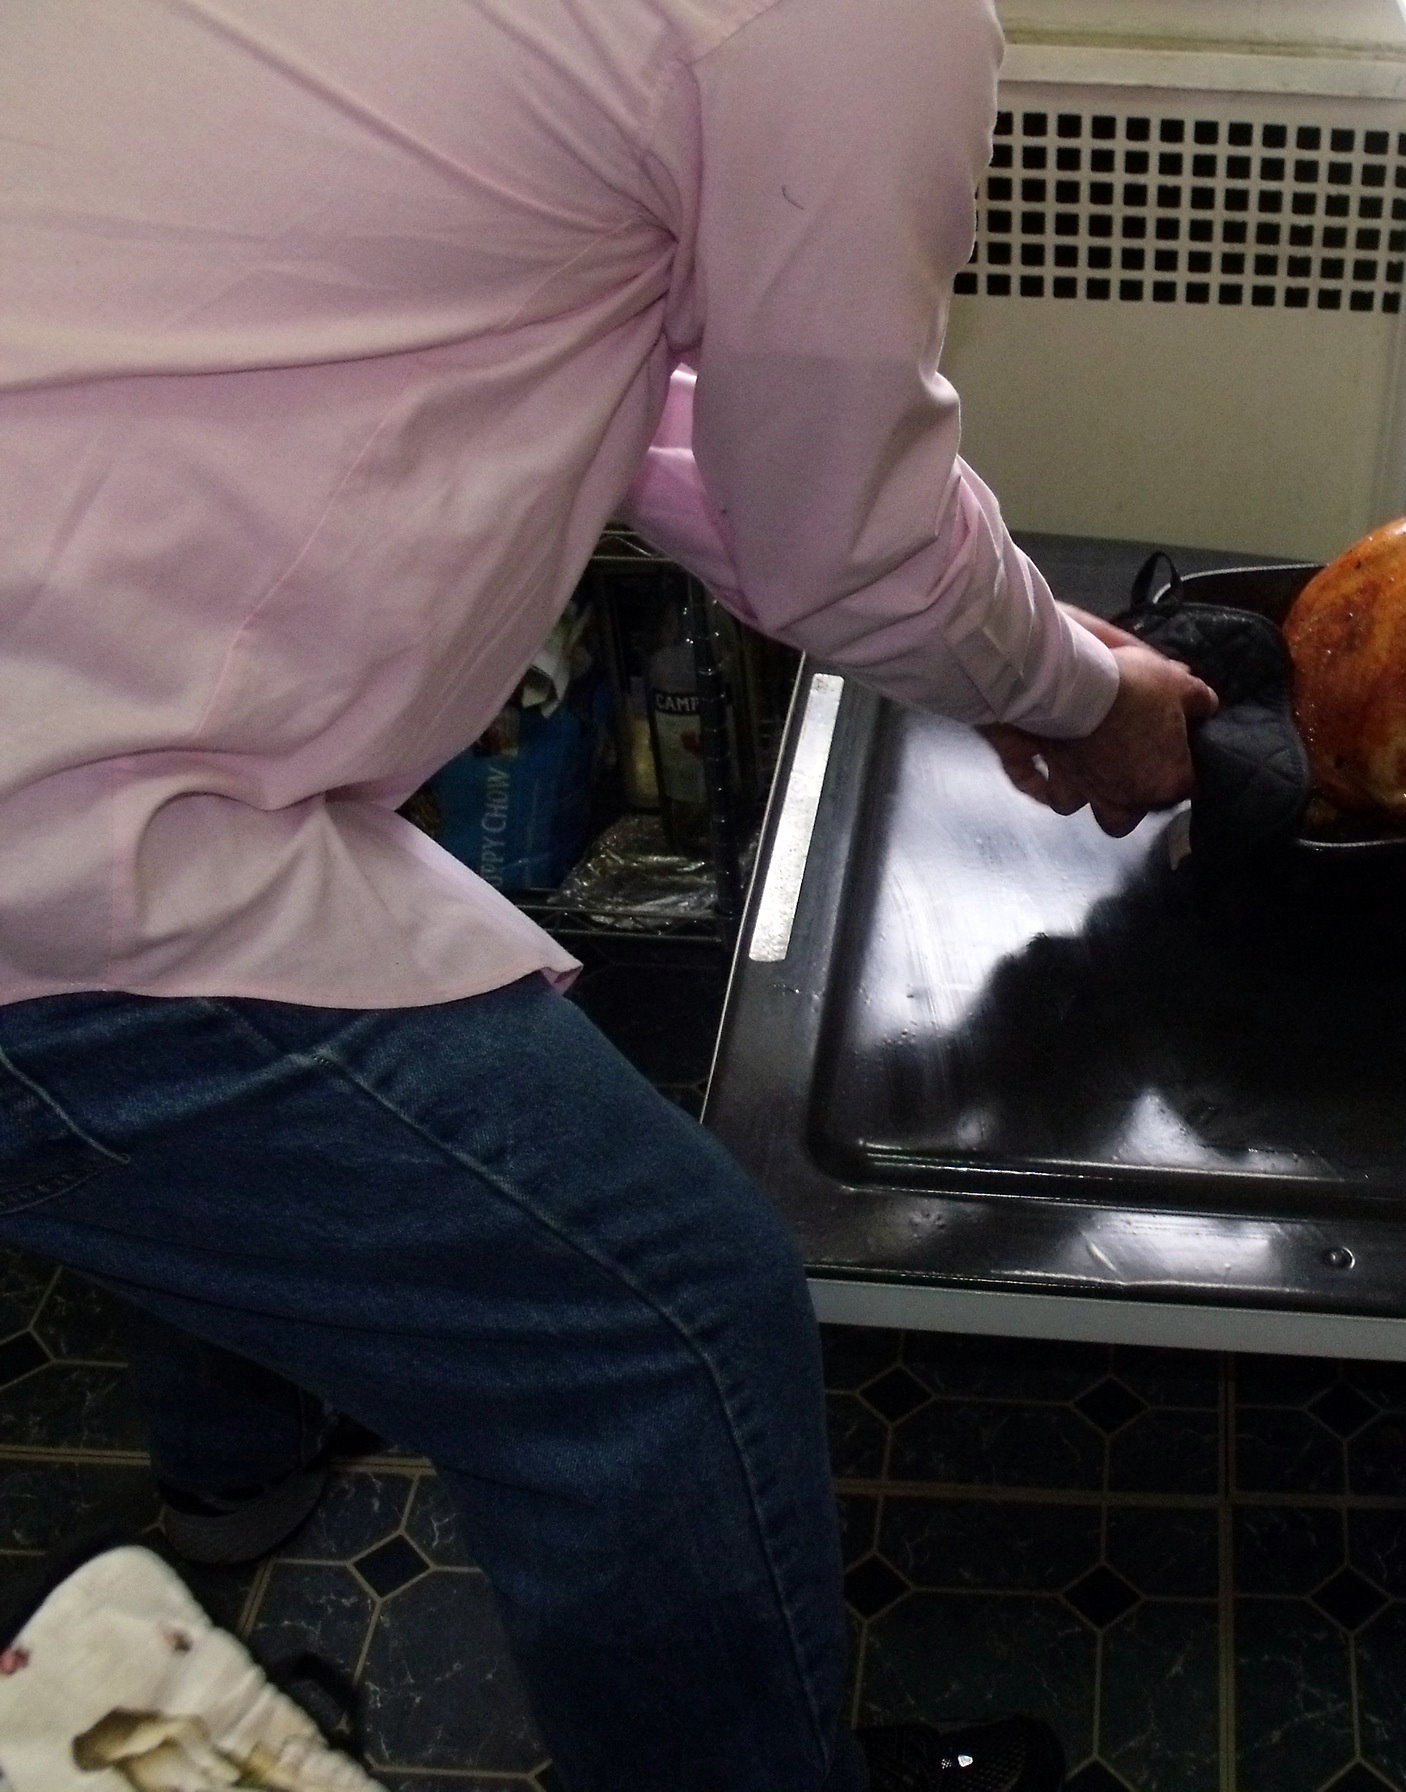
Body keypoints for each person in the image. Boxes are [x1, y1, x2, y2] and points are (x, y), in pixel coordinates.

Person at [0, 1, 1215, 1788]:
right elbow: (845, 537)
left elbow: (640, 383)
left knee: (224, 1178)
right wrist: (1085, 702)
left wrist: (1022, 656)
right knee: (661, 1328)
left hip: (83, 669)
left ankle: (235, 1479)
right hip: (63, 829)